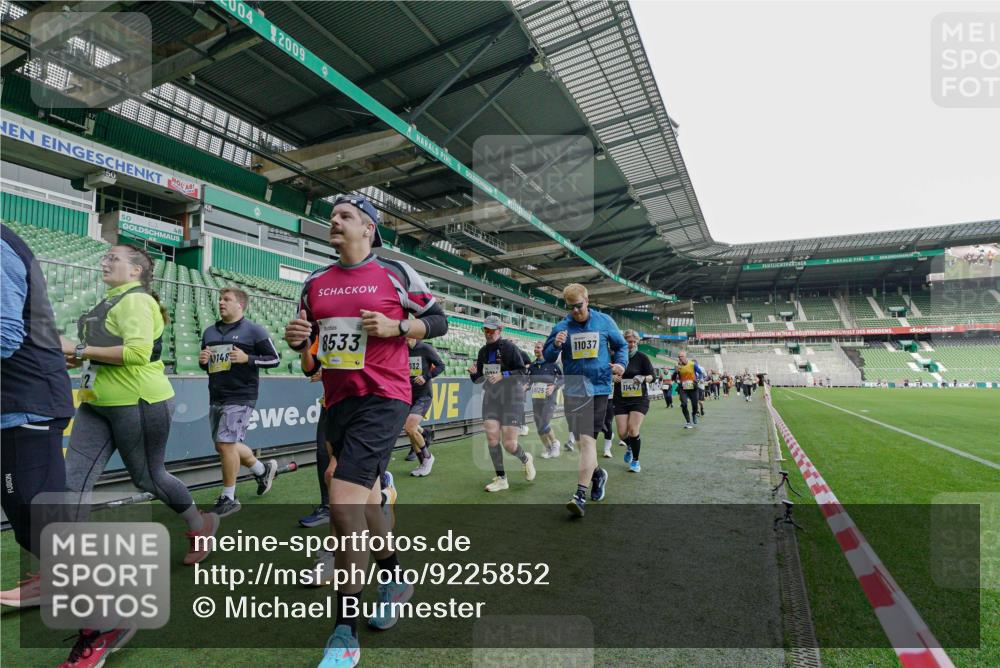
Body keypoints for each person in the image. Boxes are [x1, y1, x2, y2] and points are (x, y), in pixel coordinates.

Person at [283, 193, 447, 667]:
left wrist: (399, 328)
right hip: (338, 402)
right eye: (331, 216)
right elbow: (310, 355)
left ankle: (344, 631)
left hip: (386, 398)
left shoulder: (394, 273)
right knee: (369, 496)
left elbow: (440, 319)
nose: (333, 221)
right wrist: (300, 343)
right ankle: (395, 576)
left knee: (342, 502)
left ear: (368, 229)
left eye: (345, 216)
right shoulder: (315, 281)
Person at [58, 244, 220, 665]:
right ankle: (68, 575)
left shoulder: (137, 300)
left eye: (116, 257)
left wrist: (77, 350)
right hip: (96, 402)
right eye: (105, 255)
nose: (105, 261)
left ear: (137, 269)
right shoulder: (108, 300)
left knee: (148, 478)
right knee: (71, 485)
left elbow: (133, 353)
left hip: (139, 403)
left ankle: (199, 524)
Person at [0, 224, 75, 609]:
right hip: (18, 401)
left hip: (30, 399)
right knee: (22, 508)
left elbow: (5, 334)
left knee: (35, 508)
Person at [543, 283, 626, 517]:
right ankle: (598, 474)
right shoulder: (561, 326)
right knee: (581, 442)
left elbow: (621, 346)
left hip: (599, 388)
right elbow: (549, 356)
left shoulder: (604, 322)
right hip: (573, 389)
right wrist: (556, 345)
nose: (576, 311)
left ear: (587, 300)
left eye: (579, 306)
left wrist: (621, 364)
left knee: (587, 441)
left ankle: (579, 495)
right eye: (571, 307)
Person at [198, 287, 280, 517]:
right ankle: (262, 470)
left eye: (227, 299)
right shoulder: (209, 331)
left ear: (240, 305)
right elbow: (206, 364)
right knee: (224, 445)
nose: (221, 302)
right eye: (220, 299)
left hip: (242, 395)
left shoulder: (254, 330)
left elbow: (274, 359)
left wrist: (248, 359)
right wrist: (203, 360)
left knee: (226, 444)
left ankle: (228, 497)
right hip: (216, 393)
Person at [467, 315, 534, 492]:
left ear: (500, 330)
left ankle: (525, 458)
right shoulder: (482, 352)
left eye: (491, 330)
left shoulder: (510, 348)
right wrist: (473, 373)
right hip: (491, 398)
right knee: (491, 438)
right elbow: (479, 380)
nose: (488, 333)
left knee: (510, 444)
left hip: (511, 399)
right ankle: (502, 478)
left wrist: (503, 375)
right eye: (485, 330)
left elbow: (522, 372)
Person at [613, 330, 655, 473]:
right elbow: (605, 372)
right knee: (622, 433)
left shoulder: (642, 357)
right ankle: (630, 446)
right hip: (620, 399)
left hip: (639, 399)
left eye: (633, 342)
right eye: (628, 342)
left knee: (632, 429)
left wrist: (643, 378)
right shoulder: (616, 357)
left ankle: (636, 461)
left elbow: (652, 376)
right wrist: (612, 377)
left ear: (636, 342)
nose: (631, 344)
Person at [406, 336, 444, 477]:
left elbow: (441, 365)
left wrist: (426, 376)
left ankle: (428, 457)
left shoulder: (425, 348)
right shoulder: (401, 349)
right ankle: (422, 462)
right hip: (408, 394)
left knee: (410, 428)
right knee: (411, 431)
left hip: (424, 395)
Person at [527, 340, 563, 459]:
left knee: (544, 423)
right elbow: (529, 382)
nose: (536, 349)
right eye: (535, 347)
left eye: (538, 347)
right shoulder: (532, 366)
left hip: (549, 400)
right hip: (537, 400)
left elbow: (563, 379)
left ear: (544, 349)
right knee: (539, 428)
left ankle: (555, 444)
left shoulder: (552, 364)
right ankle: (548, 448)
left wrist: (554, 386)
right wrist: (524, 387)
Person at [672, 350, 705, 428]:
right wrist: (676, 372)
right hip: (683, 388)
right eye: (679, 357)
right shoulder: (677, 366)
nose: (680, 358)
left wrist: (699, 379)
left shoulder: (692, 364)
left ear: (685, 356)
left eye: (681, 356)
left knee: (695, 405)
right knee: (684, 404)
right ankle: (688, 422)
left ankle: (694, 414)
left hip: (693, 387)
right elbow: (673, 378)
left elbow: (700, 373)